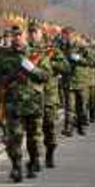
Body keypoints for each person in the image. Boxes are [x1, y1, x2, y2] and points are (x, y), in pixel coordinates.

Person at [0, 26, 48, 182]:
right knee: (13, 138)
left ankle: (32, 162)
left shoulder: (37, 54)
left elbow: (46, 76)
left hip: (33, 103)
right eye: (14, 35)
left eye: (19, 35)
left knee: (34, 139)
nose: (17, 38)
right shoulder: (3, 56)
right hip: (13, 104)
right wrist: (8, 79)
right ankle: (16, 166)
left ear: (25, 37)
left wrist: (33, 70)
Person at [28, 23, 69, 169]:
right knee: (34, 130)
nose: (33, 35)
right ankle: (35, 159)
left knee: (49, 128)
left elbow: (65, 66)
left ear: (41, 33)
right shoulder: (25, 50)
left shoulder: (51, 49)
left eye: (35, 32)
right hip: (31, 96)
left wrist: (50, 63)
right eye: (30, 32)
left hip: (49, 95)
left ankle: (50, 154)